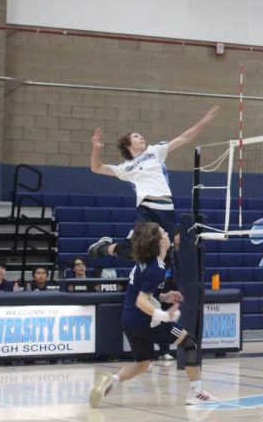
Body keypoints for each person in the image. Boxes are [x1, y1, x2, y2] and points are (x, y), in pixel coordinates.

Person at [89, 222, 216, 407]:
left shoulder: (145, 263)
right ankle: (196, 393)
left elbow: (145, 293)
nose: (167, 233)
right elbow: (142, 301)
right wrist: (163, 316)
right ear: (160, 242)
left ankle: (111, 381)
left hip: (129, 319)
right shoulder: (156, 268)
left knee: (143, 363)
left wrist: (164, 296)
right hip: (145, 320)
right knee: (191, 344)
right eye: (164, 232)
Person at [87, 105, 220, 262]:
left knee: (165, 252)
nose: (141, 137)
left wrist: (205, 120)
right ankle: (103, 248)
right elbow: (97, 167)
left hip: (167, 208)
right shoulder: (125, 168)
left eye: (141, 135)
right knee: (137, 250)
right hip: (147, 209)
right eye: (136, 136)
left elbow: (184, 138)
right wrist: (95, 149)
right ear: (127, 144)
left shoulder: (154, 151)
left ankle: (162, 284)